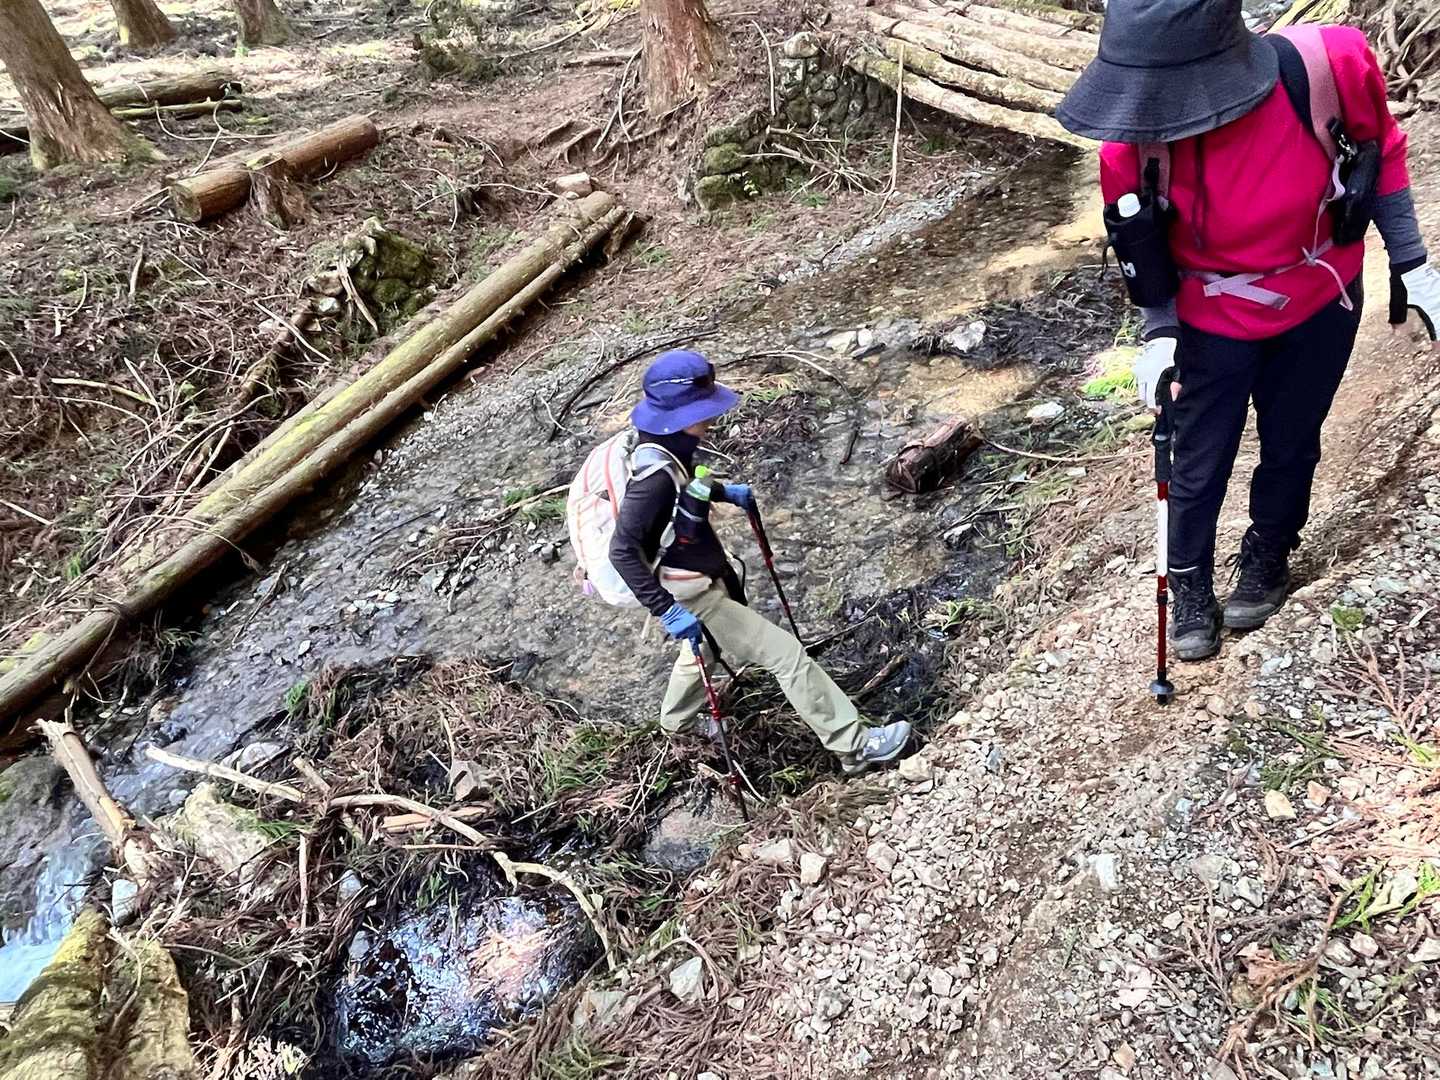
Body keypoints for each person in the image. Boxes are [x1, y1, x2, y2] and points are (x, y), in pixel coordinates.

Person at [1056, 0, 1439, 662]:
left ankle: (1269, 550)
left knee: (1292, 439)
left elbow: (1383, 151)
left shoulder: (1329, 70)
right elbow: (1142, 243)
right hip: (1209, 319)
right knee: (1198, 458)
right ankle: (1189, 583)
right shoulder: (1129, 146)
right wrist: (1159, 334)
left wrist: (1414, 266)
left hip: (1321, 297)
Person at [608, 349, 912, 774]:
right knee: (785, 655)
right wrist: (666, 610)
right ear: (679, 415)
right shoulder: (653, 481)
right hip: (688, 591)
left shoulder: (662, 443)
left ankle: (676, 726)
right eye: (702, 411)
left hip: (699, 575)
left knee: (703, 650)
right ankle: (855, 746)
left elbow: (685, 485)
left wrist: (722, 492)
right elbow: (621, 550)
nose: (711, 419)